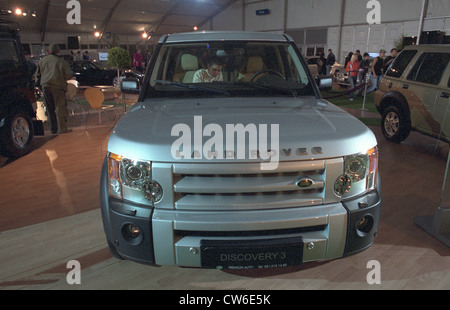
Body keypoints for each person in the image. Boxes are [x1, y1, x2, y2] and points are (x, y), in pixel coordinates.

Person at [34, 43, 73, 134]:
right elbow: (68, 75)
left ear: (48, 51)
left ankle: (53, 129)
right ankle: (62, 128)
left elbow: (37, 75)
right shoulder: (61, 61)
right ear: (58, 51)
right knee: (60, 107)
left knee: (49, 108)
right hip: (58, 87)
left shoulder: (42, 61)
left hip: (45, 86)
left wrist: (39, 85)